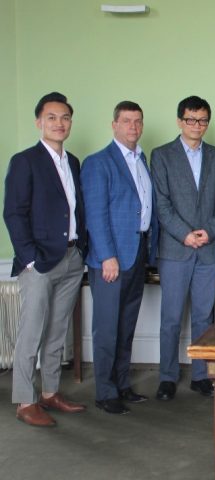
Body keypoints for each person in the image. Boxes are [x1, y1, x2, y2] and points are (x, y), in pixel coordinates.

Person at [3, 92, 87, 427]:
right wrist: (30, 260)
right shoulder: (25, 161)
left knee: (57, 330)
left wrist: (82, 248)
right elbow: (13, 213)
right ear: (39, 121)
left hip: (70, 257)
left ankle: (50, 392)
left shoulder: (74, 162)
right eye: (52, 117)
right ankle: (25, 400)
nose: (59, 123)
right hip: (39, 262)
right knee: (32, 331)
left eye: (65, 117)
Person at [150, 96, 215, 401]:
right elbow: (161, 203)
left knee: (203, 317)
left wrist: (207, 232)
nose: (197, 126)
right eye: (191, 119)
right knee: (171, 317)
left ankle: (201, 375)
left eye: (202, 120)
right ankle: (167, 377)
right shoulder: (161, 155)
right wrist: (185, 234)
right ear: (179, 121)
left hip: (208, 249)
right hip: (175, 249)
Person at [81, 101, 159, 415]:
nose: (133, 127)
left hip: (137, 252)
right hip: (111, 259)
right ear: (114, 125)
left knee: (126, 325)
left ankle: (122, 384)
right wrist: (107, 256)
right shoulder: (99, 162)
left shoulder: (141, 161)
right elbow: (96, 215)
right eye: (127, 121)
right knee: (107, 327)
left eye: (138, 121)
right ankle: (105, 391)